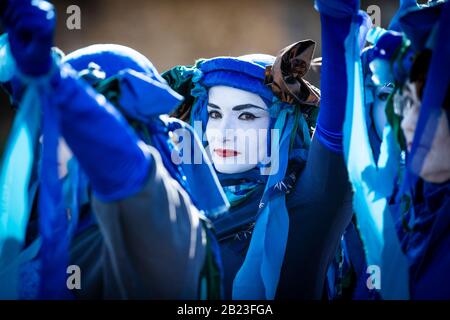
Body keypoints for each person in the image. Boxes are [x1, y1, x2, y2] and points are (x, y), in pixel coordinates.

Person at [0, 0, 226, 299]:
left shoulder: (166, 224)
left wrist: (57, 83)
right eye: (45, 126)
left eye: (63, 126)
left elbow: (123, 166)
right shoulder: (44, 217)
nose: (45, 141)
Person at [162, 0, 365, 300]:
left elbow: (339, 126)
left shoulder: (312, 200)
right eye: (215, 114)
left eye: (246, 115)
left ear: (281, 128)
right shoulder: (176, 199)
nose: (223, 133)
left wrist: (337, 19)